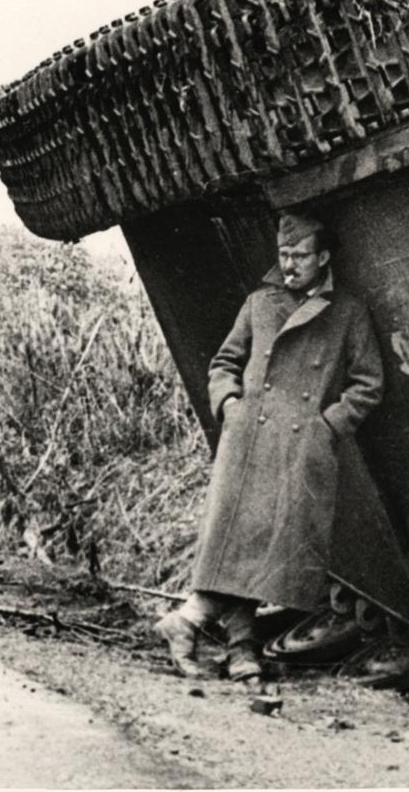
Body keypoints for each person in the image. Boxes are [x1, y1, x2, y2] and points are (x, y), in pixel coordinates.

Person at [154, 211, 384, 681]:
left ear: (322, 257)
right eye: (284, 255)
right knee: (242, 545)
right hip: (248, 439)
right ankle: (234, 647)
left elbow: (368, 383)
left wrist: (327, 426)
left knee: (263, 549)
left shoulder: (348, 313)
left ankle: (198, 628)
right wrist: (231, 406)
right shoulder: (261, 303)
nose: (291, 265)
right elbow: (223, 362)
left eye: (300, 256)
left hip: (300, 448)